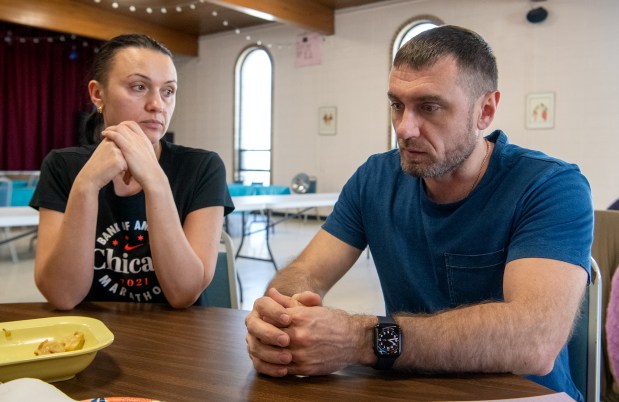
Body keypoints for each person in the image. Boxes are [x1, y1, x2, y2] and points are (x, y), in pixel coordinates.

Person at [245, 25, 592, 402]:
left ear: (485, 111)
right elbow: (306, 271)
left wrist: (363, 340)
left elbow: (534, 341)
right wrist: (284, 321)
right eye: (397, 104)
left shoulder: (549, 186)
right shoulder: (374, 179)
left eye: (429, 107)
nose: (405, 129)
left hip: (525, 395)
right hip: (413, 388)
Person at [30, 34, 234, 310]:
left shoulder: (203, 167)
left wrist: (155, 182)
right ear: (97, 94)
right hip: (93, 336)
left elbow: (183, 294)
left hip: (177, 340)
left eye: (168, 91)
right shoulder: (62, 166)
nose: (158, 105)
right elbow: (63, 296)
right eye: (139, 87)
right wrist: (86, 185)